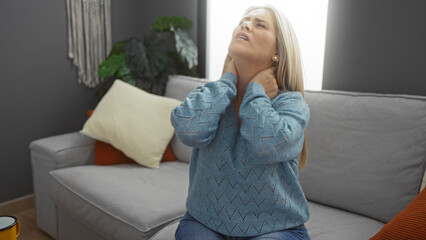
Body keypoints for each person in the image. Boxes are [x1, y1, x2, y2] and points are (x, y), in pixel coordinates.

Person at [171, 5, 310, 240]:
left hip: (277, 227)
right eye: (244, 21)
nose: (245, 25)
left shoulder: (292, 104)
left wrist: (256, 93)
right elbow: (188, 131)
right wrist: (226, 83)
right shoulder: (210, 93)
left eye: (260, 24)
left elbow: (266, 146)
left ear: (277, 52)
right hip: (205, 220)